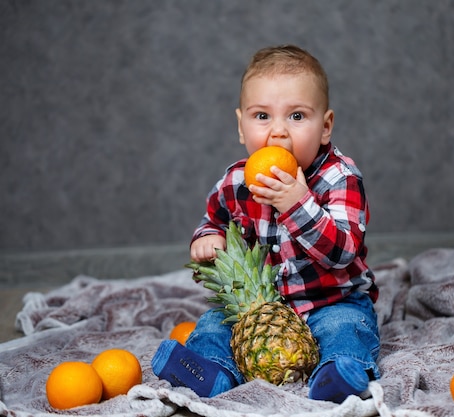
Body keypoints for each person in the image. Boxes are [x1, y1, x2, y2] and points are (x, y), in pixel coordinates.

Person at [151, 44, 379, 404]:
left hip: (330, 302)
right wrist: (207, 239)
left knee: (346, 329)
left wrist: (297, 204)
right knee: (213, 326)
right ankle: (210, 373)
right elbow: (213, 219)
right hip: (256, 313)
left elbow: (343, 252)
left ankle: (335, 375)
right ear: (241, 127)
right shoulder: (235, 182)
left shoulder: (340, 177)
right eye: (262, 117)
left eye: (297, 116)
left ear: (326, 126)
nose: (278, 132)